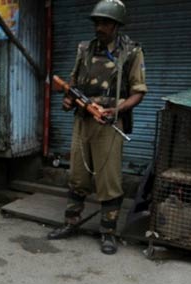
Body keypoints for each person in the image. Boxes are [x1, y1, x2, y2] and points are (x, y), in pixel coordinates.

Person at [47, 0, 147, 255]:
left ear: (116, 25)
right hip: (83, 121)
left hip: (109, 123)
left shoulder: (131, 52)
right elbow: (71, 84)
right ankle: (70, 223)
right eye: (97, 22)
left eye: (105, 23)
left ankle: (108, 233)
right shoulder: (85, 49)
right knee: (77, 176)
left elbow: (138, 92)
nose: (99, 27)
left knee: (108, 180)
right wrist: (68, 100)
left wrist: (117, 110)